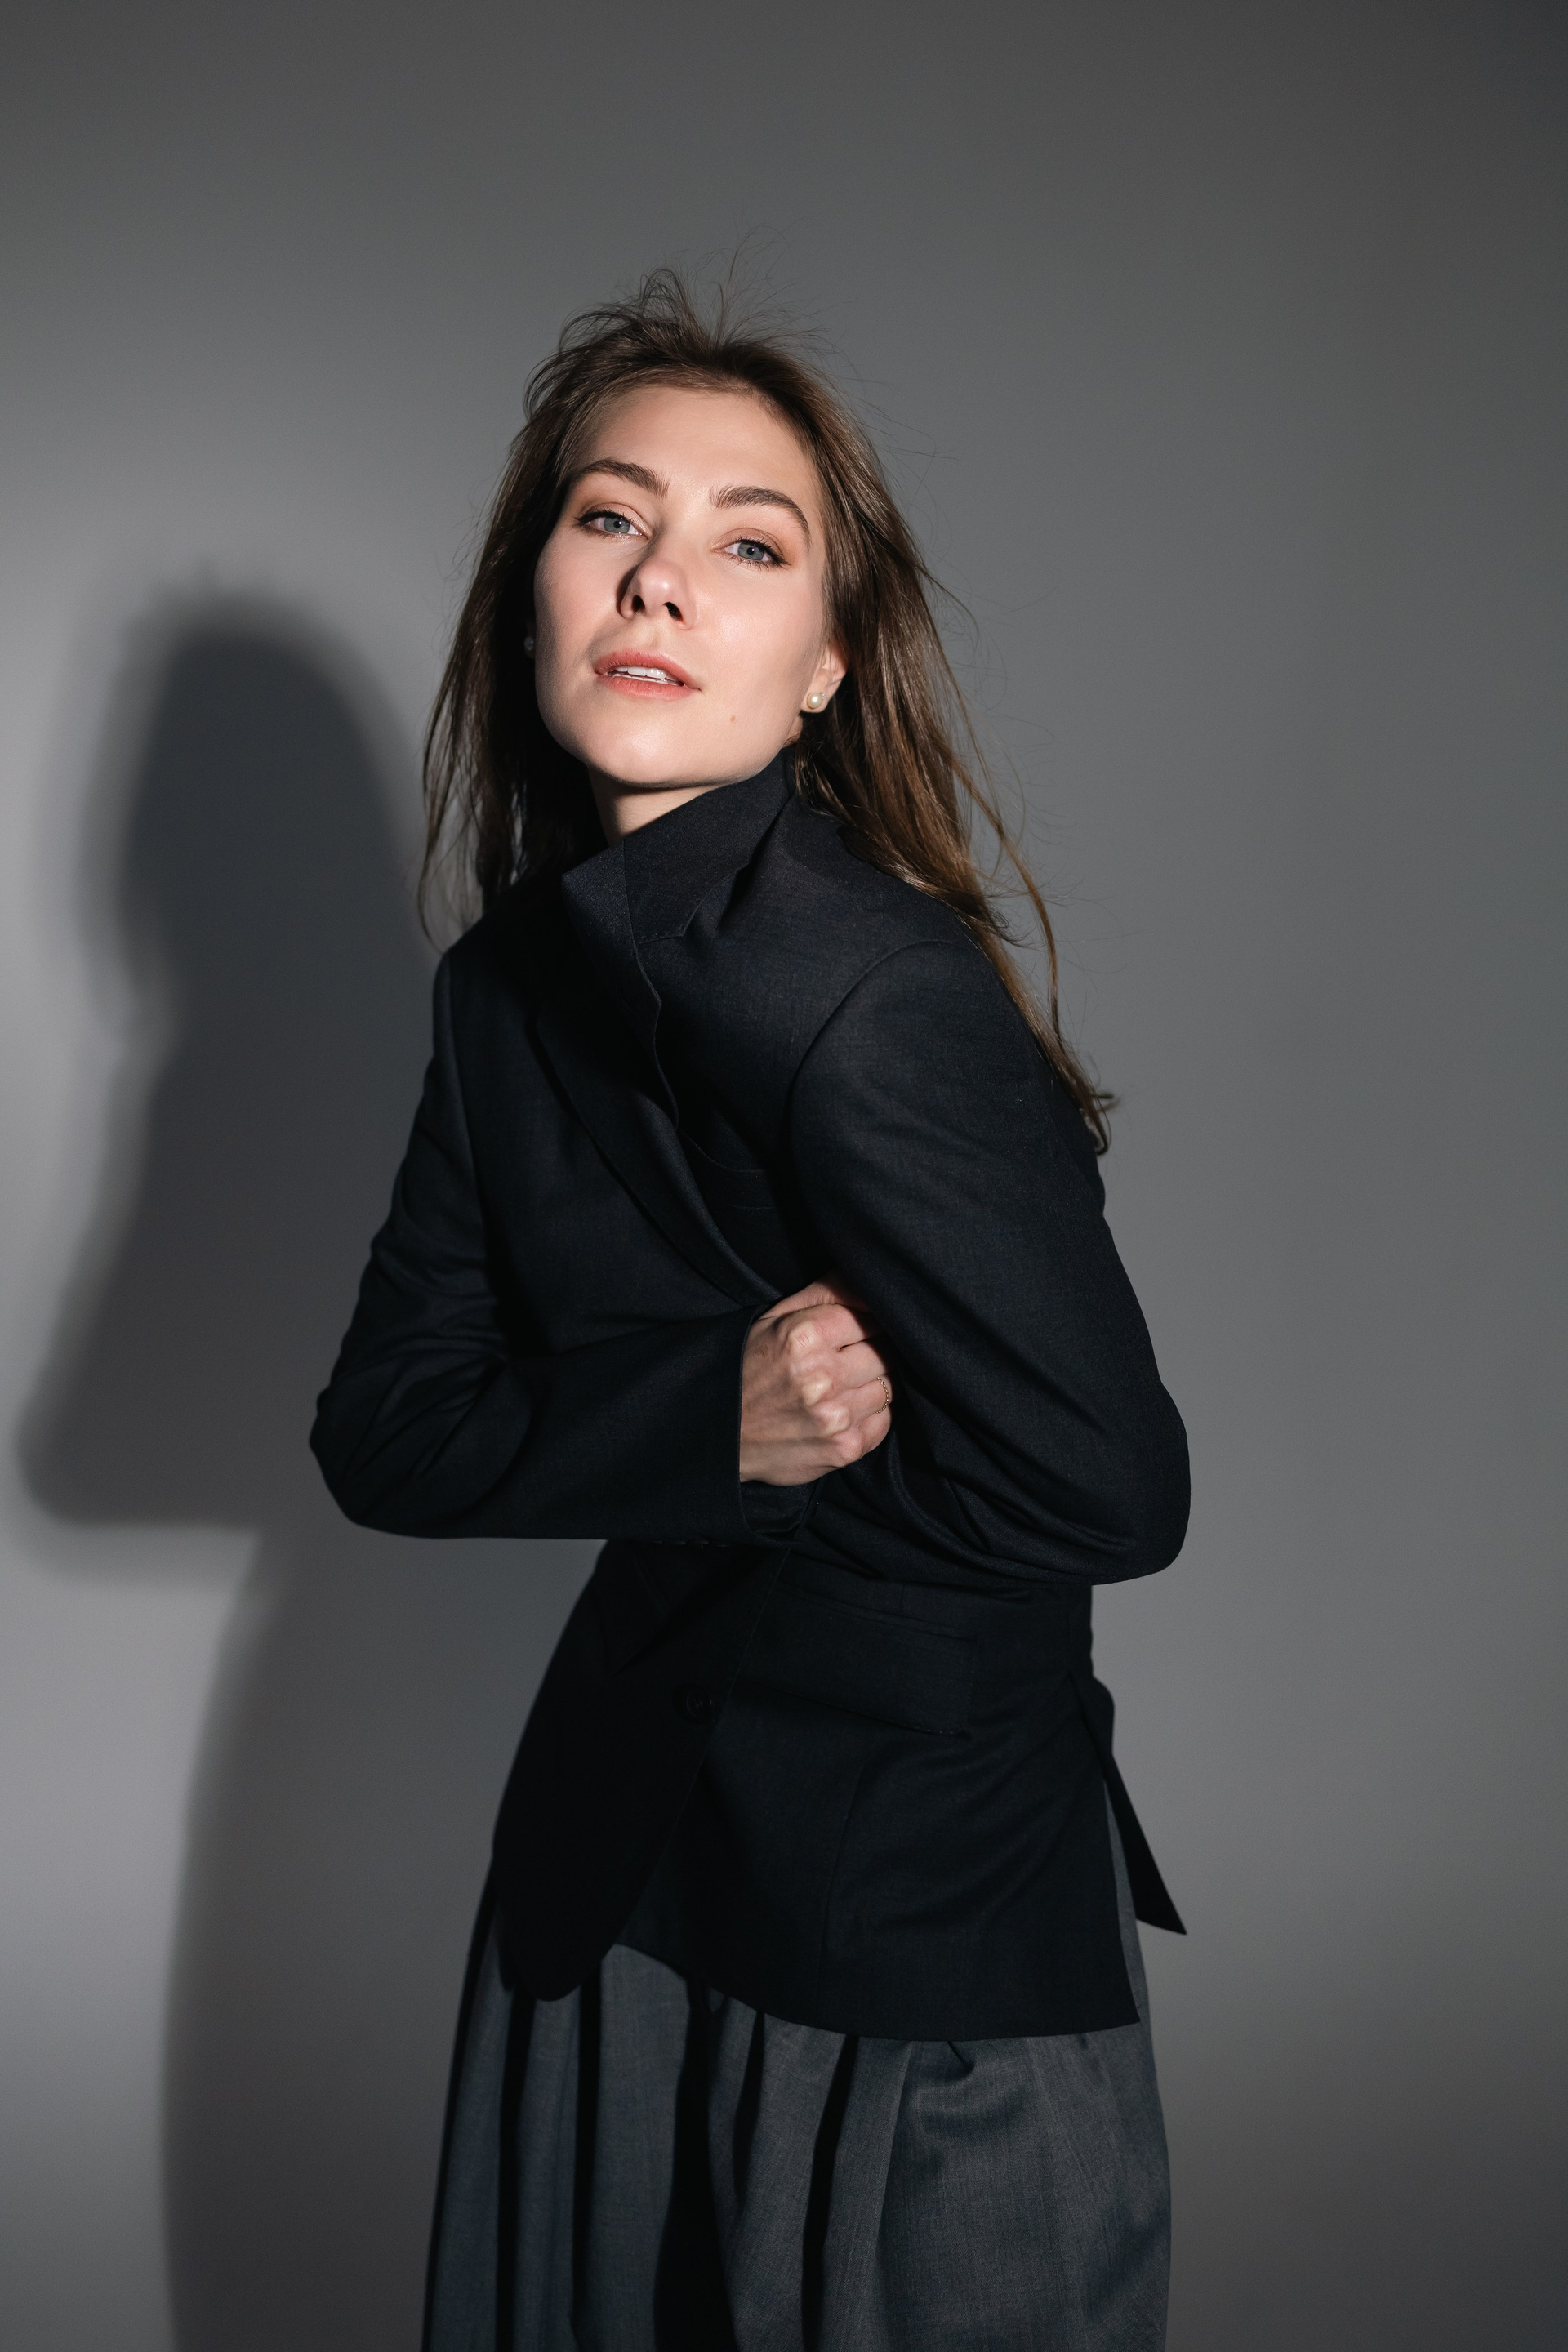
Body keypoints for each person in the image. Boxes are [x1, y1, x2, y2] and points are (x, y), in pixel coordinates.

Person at [312, 269, 1190, 2352]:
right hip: (615, 1881)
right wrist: (714, 1413)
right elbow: (387, 1430)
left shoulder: (874, 991)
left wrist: (728, 1461)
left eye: (751, 545)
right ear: (534, 591)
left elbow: (1112, 1494)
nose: (661, 579)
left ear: (825, 667)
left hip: (914, 1920)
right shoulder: (506, 992)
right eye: (610, 517)